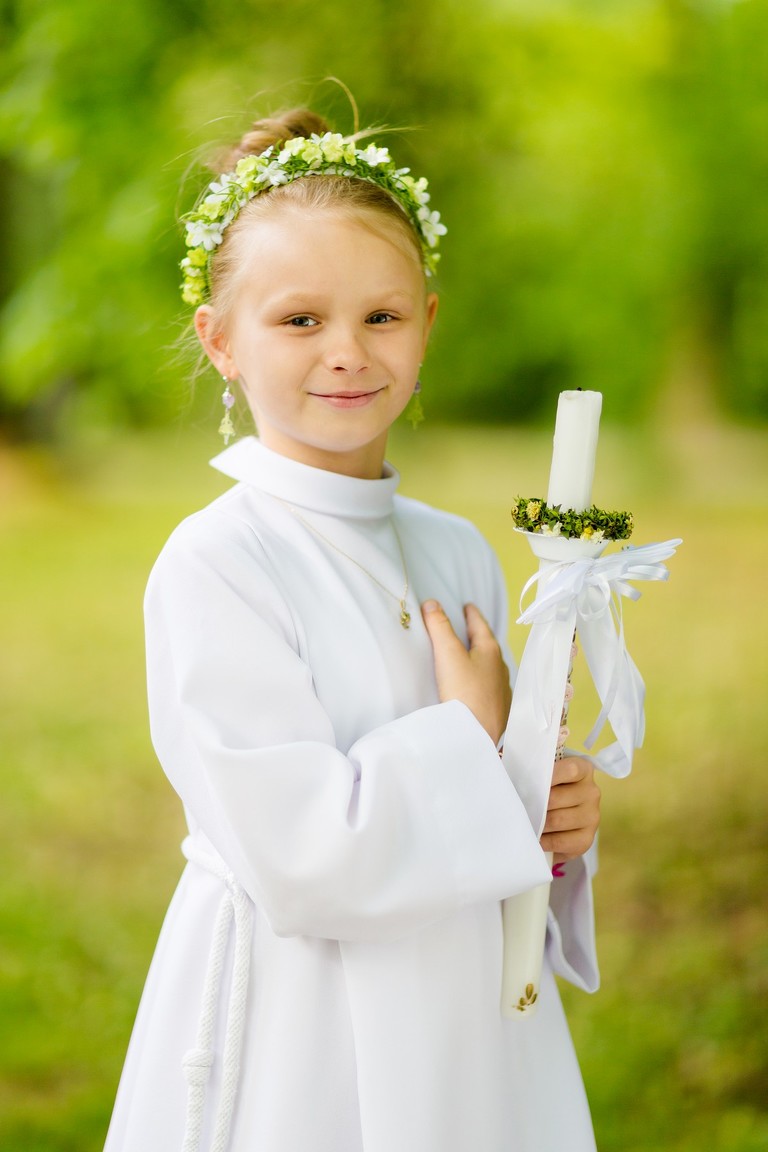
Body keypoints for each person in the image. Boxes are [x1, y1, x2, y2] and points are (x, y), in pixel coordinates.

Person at [104, 106, 602, 1152]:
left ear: (427, 320)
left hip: (463, 999)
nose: (347, 354)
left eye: (382, 317)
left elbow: (501, 803)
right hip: (305, 1015)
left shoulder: (456, 547)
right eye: (299, 321)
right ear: (221, 339)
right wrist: (469, 740)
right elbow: (298, 857)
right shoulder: (221, 562)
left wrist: (549, 816)